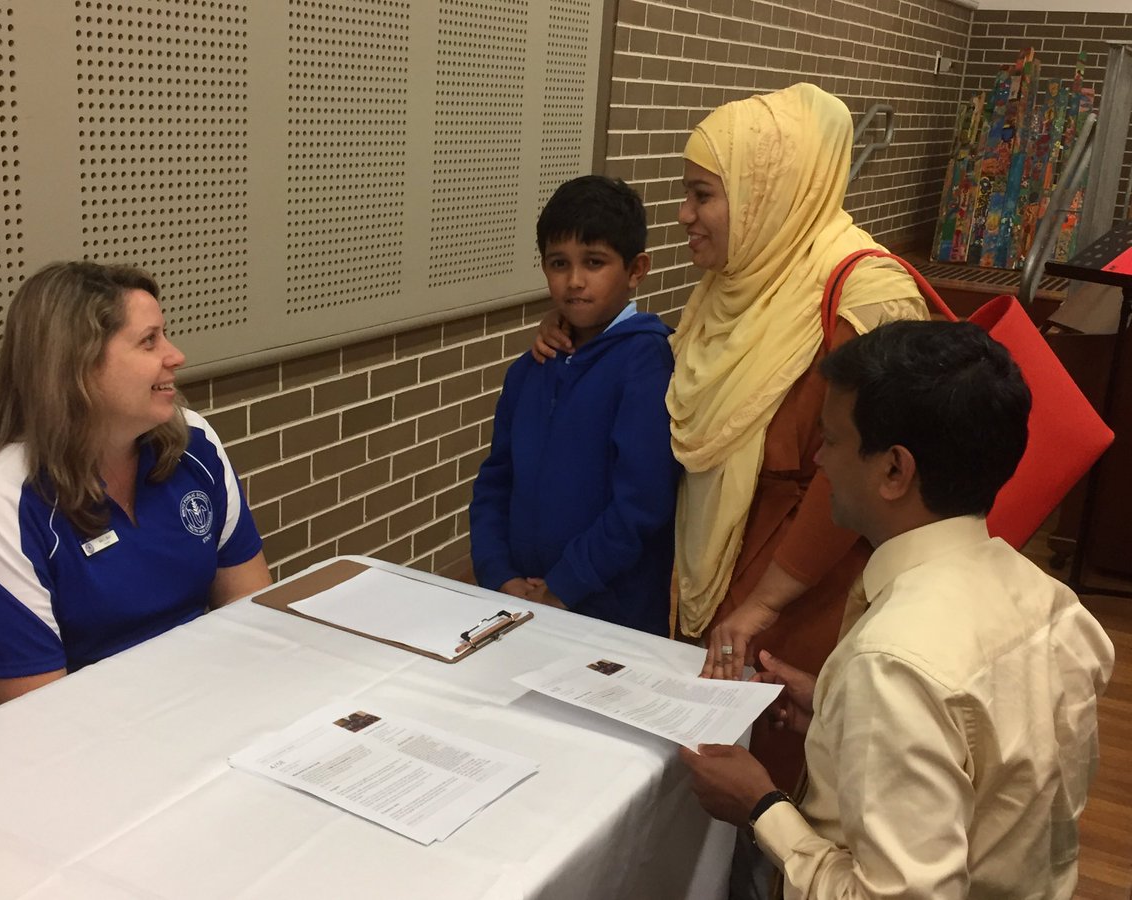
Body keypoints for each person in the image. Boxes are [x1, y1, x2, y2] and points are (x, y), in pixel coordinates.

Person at [534, 83, 927, 787]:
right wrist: (572, 335)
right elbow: (676, 388)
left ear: (765, 189)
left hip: (801, 594)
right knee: (701, 777)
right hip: (714, 579)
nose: (684, 216)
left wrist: (764, 603)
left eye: (700, 195)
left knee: (780, 782)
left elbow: (856, 479)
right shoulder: (728, 285)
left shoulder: (866, 297)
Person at [680, 320, 1114, 898]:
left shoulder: (891, 663)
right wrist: (836, 712)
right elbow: (1000, 775)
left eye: (831, 439)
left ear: (894, 469)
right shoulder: (1054, 603)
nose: (818, 458)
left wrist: (761, 807)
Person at [0, 261, 271, 709]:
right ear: (77, 365)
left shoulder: (193, 441)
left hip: (178, 699)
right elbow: (37, 716)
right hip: (13, 740)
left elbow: (254, 615)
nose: (175, 355)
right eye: (149, 340)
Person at [469, 175, 679, 635]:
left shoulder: (647, 363)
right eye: (559, 263)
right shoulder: (530, 369)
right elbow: (495, 479)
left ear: (636, 269)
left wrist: (563, 586)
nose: (575, 281)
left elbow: (642, 503)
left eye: (595, 262)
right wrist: (498, 574)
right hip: (520, 604)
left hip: (611, 613)